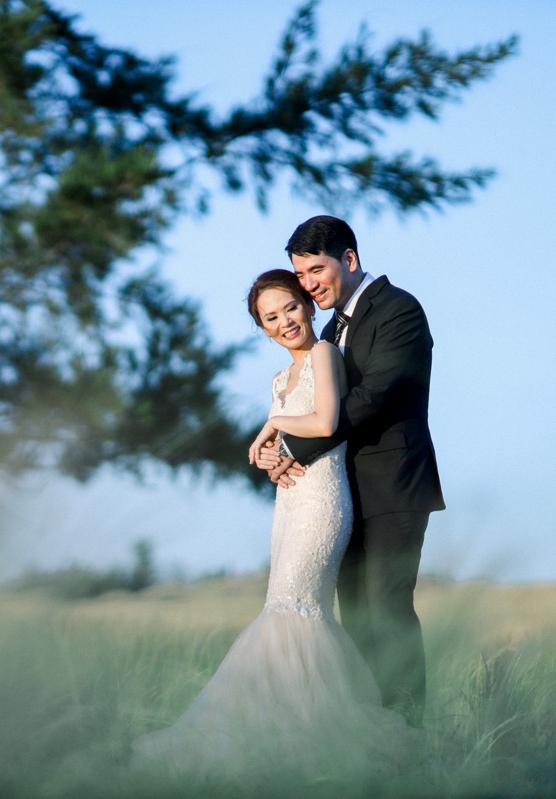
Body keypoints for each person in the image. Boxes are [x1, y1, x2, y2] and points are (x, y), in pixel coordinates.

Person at [131, 269, 419, 781]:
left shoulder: (326, 355)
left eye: (291, 307)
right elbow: (288, 447)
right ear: (262, 329)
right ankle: (283, 730)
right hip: (288, 505)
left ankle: (317, 737)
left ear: (308, 306)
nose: (285, 321)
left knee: (296, 608)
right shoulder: (277, 379)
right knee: (283, 606)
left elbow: (327, 422)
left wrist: (272, 424)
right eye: (271, 317)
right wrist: (272, 457)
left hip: (323, 504)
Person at [256, 216, 444, 728]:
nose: (310, 283)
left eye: (317, 269)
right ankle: (372, 733)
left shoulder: (398, 310)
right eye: (303, 275)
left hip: (393, 489)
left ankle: (408, 735)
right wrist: (283, 454)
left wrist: (293, 443)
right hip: (343, 494)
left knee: (387, 613)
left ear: (350, 259)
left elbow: (371, 398)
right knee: (356, 621)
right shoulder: (334, 328)